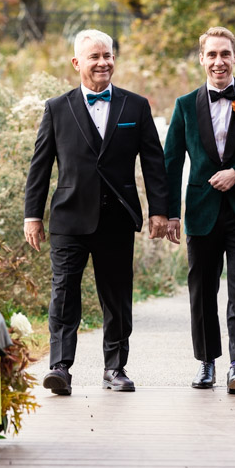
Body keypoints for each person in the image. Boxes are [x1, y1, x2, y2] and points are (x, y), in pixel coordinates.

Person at [24, 29, 169, 395]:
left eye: (108, 55)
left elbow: (154, 161)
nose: (103, 62)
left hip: (118, 217)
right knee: (64, 293)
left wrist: (159, 212)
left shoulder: (135, 106)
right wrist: (32, 215)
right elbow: (40, 165)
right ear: (77, 63)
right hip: (69, 218)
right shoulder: (57, 108)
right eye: (94, 57)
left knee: (117, 297)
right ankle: (60, 367)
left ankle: (115, 368)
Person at [164, 26, 235, 394]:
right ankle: (206, 363)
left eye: (225, 54)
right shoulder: (184, 106)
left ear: (234, 57)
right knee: (201, 289)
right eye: (211, 55)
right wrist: (169, 214)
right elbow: (170, 163)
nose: (218, 62)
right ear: (202, 58)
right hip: (201, 210)